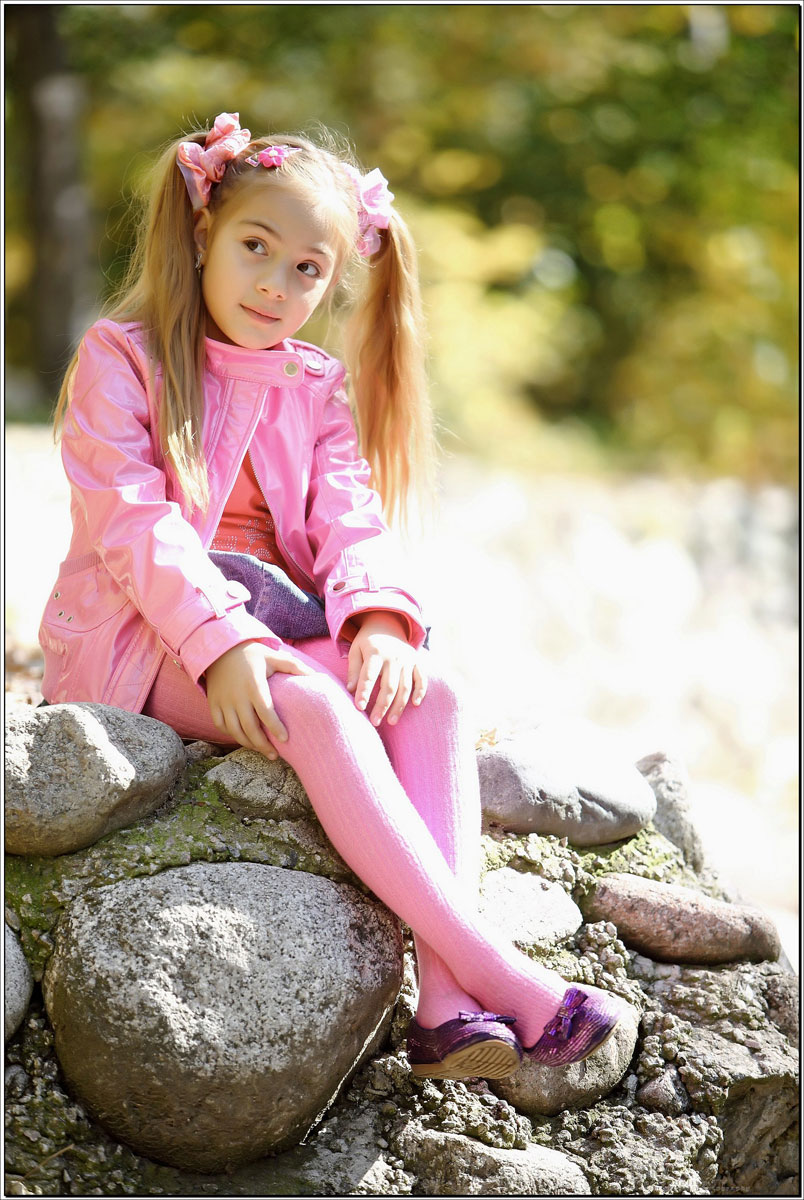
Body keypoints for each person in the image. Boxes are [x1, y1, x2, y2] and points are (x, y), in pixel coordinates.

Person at [39, 112, 631, 1080]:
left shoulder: (312, 385)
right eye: (256, 247)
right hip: (142, 638)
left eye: (307, 269)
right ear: (204, 234)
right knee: (312, 706)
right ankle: (499, 972)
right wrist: (222, 643)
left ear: (332, 280)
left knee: (431, 693)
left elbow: (350, 518)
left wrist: (383, 623)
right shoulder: (123, 356)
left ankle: (445, 1008)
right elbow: (133, 524)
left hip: (272, 620)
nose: (276, 284)